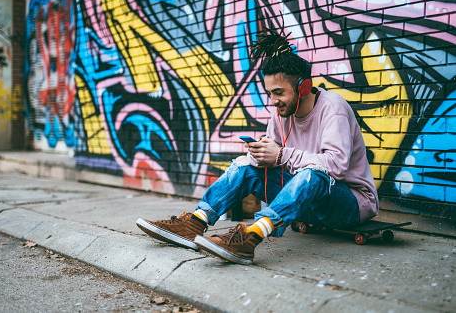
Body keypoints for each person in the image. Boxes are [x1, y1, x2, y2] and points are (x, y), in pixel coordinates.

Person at [136, 29, 379, 265]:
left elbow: (335, 166)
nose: (273, 101)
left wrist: (281, 155)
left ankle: (250, 237)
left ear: (303, 87)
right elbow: (274, 163)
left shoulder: (333, 108)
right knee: (244, 165)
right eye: (269, 93)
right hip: (305, 202)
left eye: (279, 93)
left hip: (350, 204)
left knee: (313, 174)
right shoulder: (282, 113)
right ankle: (195, 223)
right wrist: (259, 156)